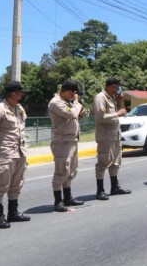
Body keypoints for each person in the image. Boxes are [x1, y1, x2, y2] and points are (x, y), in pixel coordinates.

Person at [48, 80, 88, 212]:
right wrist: (76, 103)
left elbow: (71, 117)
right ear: (70, 91)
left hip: (72, 140)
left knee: (70, 171)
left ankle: (68, 197)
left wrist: (79, 116)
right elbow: (71, 114)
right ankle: (58, 201)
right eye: (74, 94)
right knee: (61, 170)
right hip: (62, 142)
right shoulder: (56, 102)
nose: (74, 97)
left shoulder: (67, 103)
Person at [0, 81, 31, 229]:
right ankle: (0, 217)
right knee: (1, 185)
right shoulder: (0, 109)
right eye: (21, 92)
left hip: (20, 151)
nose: (23, 94)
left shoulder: (19, 108)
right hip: (5, 153)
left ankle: (13, 212)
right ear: (13, 93)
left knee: (16, 184)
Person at [93, 77, 130, 200]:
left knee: (115, 162)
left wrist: (120, 101)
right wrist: (117, 113)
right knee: (103, 163)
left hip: (115, 135)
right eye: (116, 87)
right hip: (105, 137)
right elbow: (101, 117)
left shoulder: (111, 98)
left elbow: (122, 111)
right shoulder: (100, 98)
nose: (118, 89)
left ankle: (115, 187)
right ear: (110, 86)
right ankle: (100, 190)